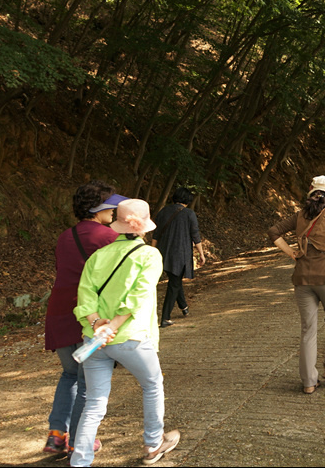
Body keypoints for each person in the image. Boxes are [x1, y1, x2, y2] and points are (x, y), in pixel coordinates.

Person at [71, 199, 180, 467]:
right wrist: (114, 325)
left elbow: (84, 294)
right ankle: (154, 445)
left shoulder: (98, 256)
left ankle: (80, 460)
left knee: (94, 403)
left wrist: (98, 324)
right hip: (131, 336)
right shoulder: (149, 255)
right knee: (152, 385)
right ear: (144, 227)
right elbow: (138, 297)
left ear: (118, 225)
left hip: (96, 340)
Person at [43, 182, 125, 456]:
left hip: (59, 310)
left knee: (70, 374)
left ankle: (56, 435)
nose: (114, 209)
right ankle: (81, 440)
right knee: (89, 381)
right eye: (110, 204)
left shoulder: (65, 236)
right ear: (97, 208)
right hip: (88, 314)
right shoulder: (110, 237)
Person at [268, 175, 325, 394]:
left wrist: (291, 253)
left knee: (308, 330)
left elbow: (273, 232)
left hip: (302, 278)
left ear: (312, 194)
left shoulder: (299, 215)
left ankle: (308, 382)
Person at [151, 187, 206, 328]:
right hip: (179, 254)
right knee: (174, 283)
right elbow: (195, 235)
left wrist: (152, 252)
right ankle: (165, 318)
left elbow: (156, 234)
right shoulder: (189, 213)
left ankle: (184, 307)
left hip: (162, 253)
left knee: (175, 280)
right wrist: (201, 254)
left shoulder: (163, 211)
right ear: (188, 200)